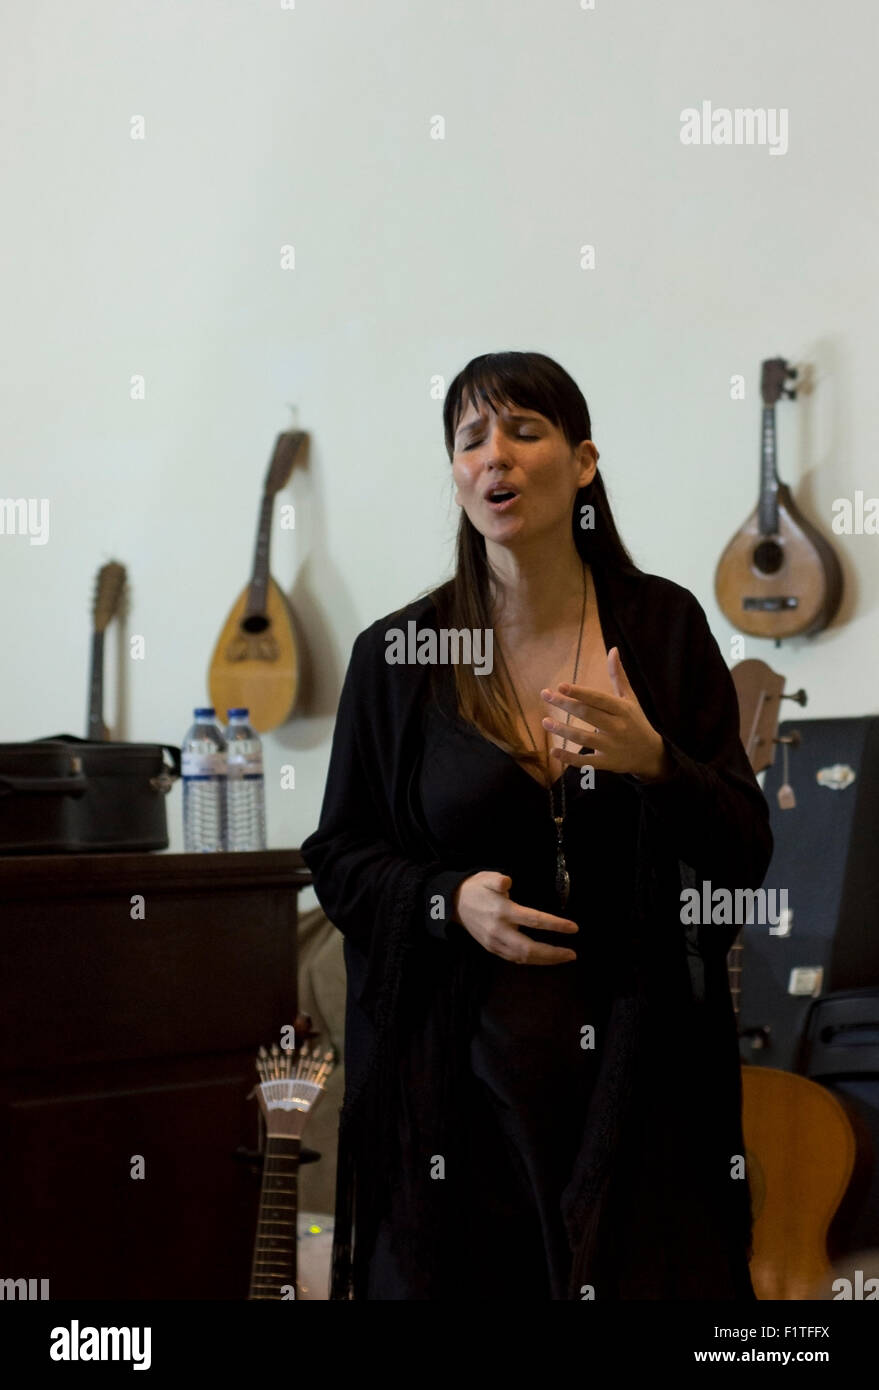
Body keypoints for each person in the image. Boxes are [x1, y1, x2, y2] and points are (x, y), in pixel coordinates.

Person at [301, 350, 774, 1300]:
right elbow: (340, 855)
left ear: (584, 462)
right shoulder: (400, 654)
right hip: (460, 1087)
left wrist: (655, 764)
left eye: (523, 430)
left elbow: (740, 851)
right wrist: (446, 900)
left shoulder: (664, 628)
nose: (493, 459)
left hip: (640, 1078)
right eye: (470, 439)